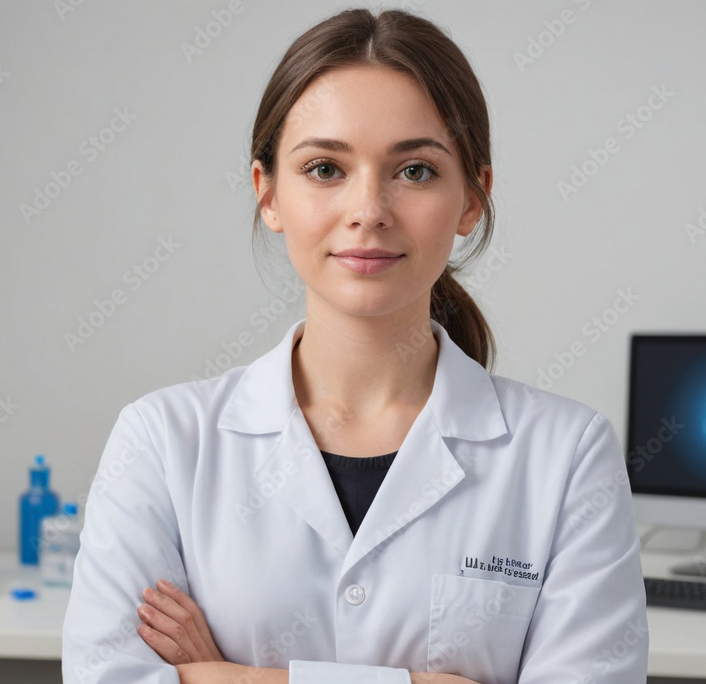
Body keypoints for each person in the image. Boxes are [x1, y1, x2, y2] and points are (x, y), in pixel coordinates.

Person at [62, 7, 648, 684]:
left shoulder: (567, 456)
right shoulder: (163, 443)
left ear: (471, 199)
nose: (368, 209)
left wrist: (226, 676)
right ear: (268, 193)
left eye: (416, 172)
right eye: (324, 169)